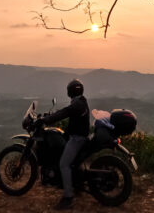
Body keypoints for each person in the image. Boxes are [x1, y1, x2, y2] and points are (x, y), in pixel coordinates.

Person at [40, 79, 89, 210]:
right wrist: (51, 115)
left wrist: (47, 119)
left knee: (64, 164)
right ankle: (76, 184)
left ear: (71, 92)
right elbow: (66, 112)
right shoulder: (80, 102)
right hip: (76, 136)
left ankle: (68, 197)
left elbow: (65, 112)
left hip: (77, 139)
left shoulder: (78, 104)